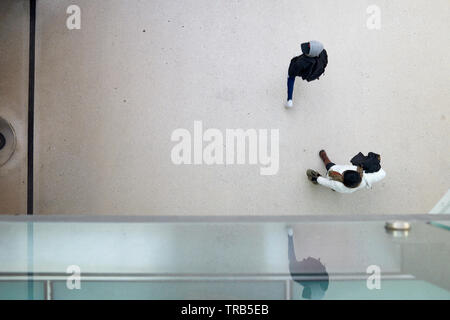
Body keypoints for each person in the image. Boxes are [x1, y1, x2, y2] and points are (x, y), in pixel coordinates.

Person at [306, 150, 386, 193]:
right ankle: (333, 189)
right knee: (333, 187)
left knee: (328, 164)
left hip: (333, 169)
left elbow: (327, 182)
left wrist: (318, 179)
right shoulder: (361, 180)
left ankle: (324, 158)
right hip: (336, 182)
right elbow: (382, 174)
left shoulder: (338, 184)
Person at [287, 227, 329, 299]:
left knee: (293, 264)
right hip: (313, 270)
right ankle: (290, 236)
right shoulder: (323, 285)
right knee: (293, 263)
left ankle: (290, 236)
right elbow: (325, 274)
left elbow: (304, 294)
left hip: (307, 273)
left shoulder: (301, 280)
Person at [285, 41, 328, 108]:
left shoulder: (301, 62)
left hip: (304, 71)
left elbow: (292, 71)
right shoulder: (323, 53)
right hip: (314, 72)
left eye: (307, 51)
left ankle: (289, 100)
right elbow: (325, 62)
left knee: (291, 77)